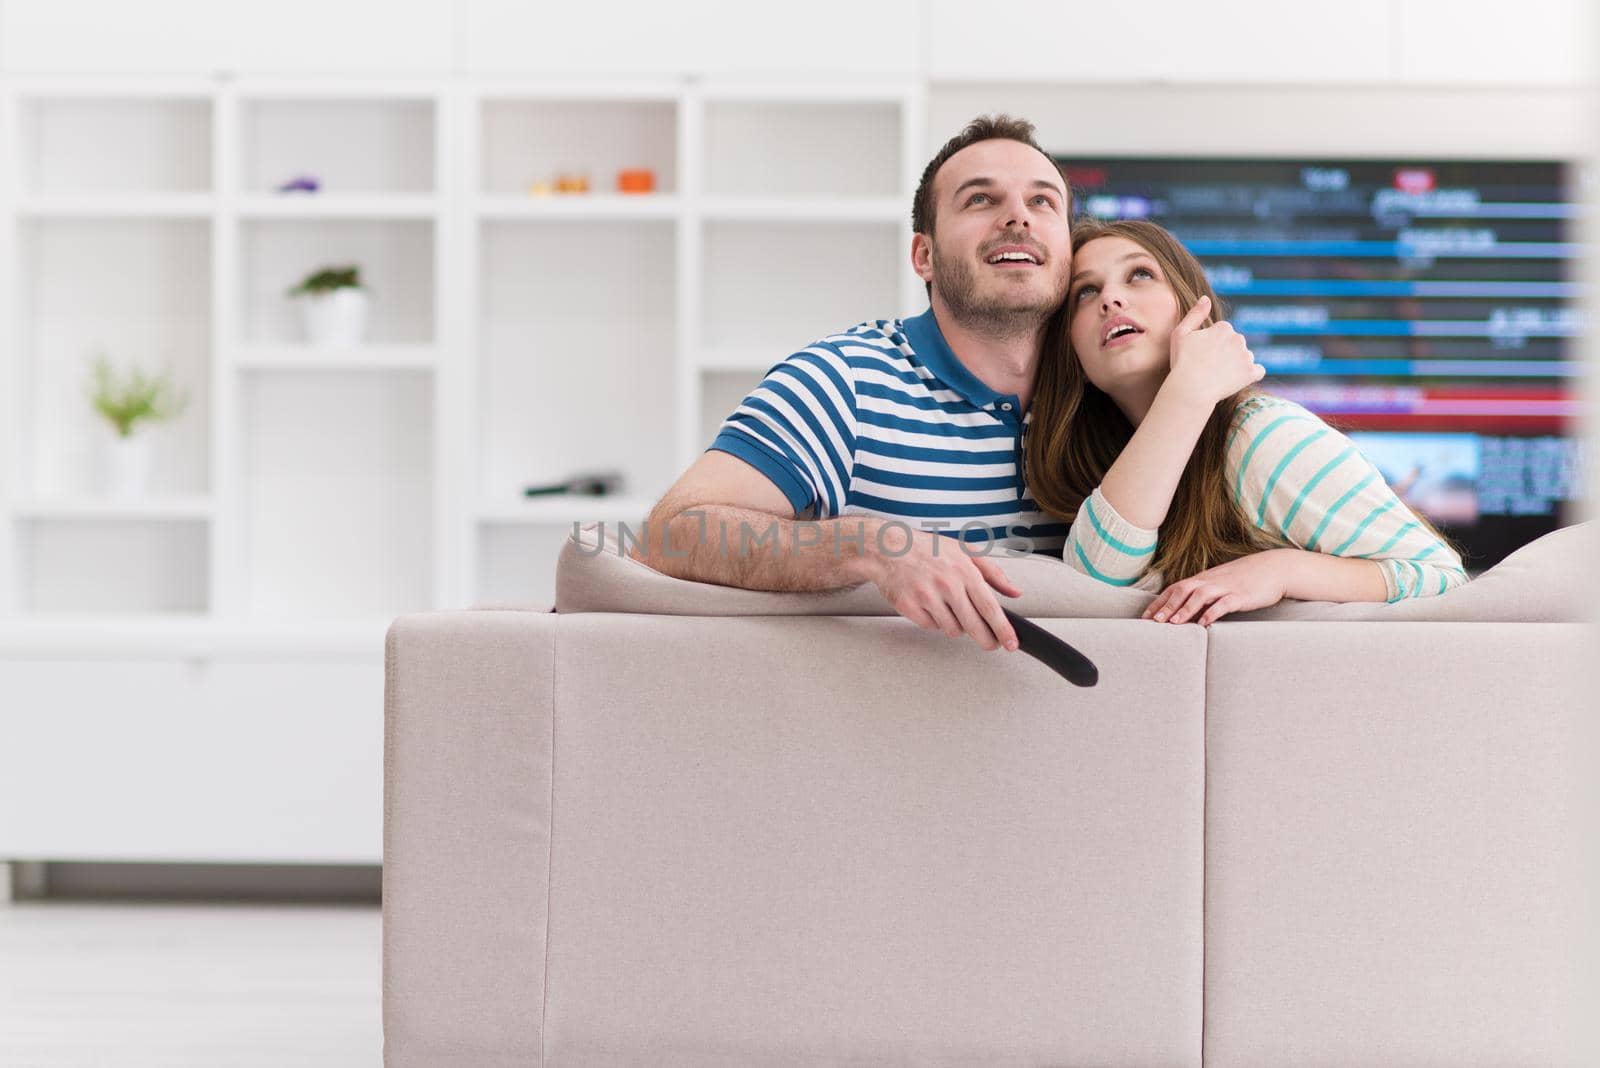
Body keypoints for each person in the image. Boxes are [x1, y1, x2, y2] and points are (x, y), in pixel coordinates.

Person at [631, 114, 1090, 655]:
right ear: (925, 256)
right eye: (980, 200)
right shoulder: (843, 382)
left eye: (1043, 202)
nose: (1018, 217)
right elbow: (670, 534)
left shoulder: (1109, 391)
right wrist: (872, 545)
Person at [1026, 217, 1470, 627]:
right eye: (1086, 292)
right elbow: (1092, 588)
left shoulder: (1261, 436)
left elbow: (1445, 579)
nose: (1111, 298)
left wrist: (1282, 570)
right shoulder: (1100, 459)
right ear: (1072, 352)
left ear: (1190, 309)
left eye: (1140, 274)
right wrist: (1186, 396)